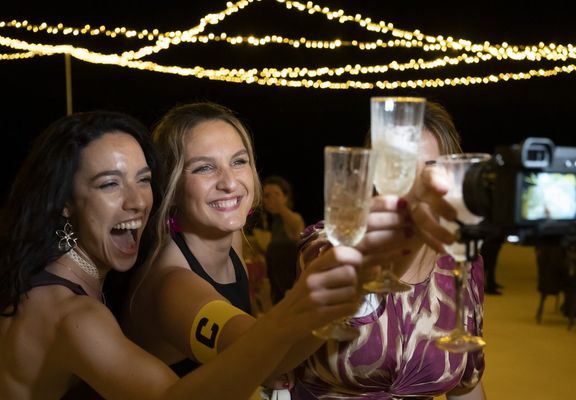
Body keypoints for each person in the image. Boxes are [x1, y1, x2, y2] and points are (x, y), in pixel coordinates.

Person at [0, 110, 370, 400]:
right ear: (64, 200)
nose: (137, 201)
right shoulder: (75, 315)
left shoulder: (19, 268)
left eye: (143, 180)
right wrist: (310, 304)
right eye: (109, 184)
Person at [121, 101, 459, 394]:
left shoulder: (232, 239)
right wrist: (347, 292)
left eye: (238, 162)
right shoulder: (173, 283)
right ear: (172, 184)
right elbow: (269, 363)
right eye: (205, 168)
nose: (228, 181)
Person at [292, 101, 486, 399]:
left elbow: (466, 385)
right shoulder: (330, 243)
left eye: (432, 168)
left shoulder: (462, 260)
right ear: (375, 172)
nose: (418, 184)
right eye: (402, 168)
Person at [261, 175, 305, 305]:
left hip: (292, 293)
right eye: (267, 196)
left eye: (276, 194)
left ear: (286, 198)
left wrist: (280, 206)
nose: (270, 199)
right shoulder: (274, 224)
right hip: (278, 293)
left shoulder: (294, 218)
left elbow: (297, 230)